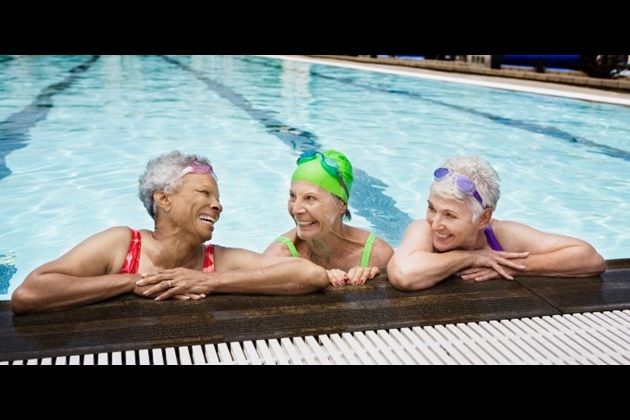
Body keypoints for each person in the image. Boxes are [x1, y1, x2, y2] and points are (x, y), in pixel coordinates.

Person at [11, 150, 330, 315]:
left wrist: (208, 280)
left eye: (217, 198)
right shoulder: (122, 245)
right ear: (163, 199)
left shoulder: (217, 260)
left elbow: (311, 275)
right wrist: (133, 281)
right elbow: (29, 295)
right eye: (205, 193)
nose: (217, 205)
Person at [387, 155, 606, 291]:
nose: (436, 224)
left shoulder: (501, 235)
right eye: (432, 208)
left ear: (482, 218)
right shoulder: (423, 230)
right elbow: (404, 275)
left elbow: (591, 259)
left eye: (450, 215)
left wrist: (515, 266)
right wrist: (471, 257)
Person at [263, 149, 394, 286]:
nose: (296, 209)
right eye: (292, 196)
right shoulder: (279, 256)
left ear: (341, 204)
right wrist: (310, 276)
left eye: (310, 198)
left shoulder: (377, 255)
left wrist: (373, 281)